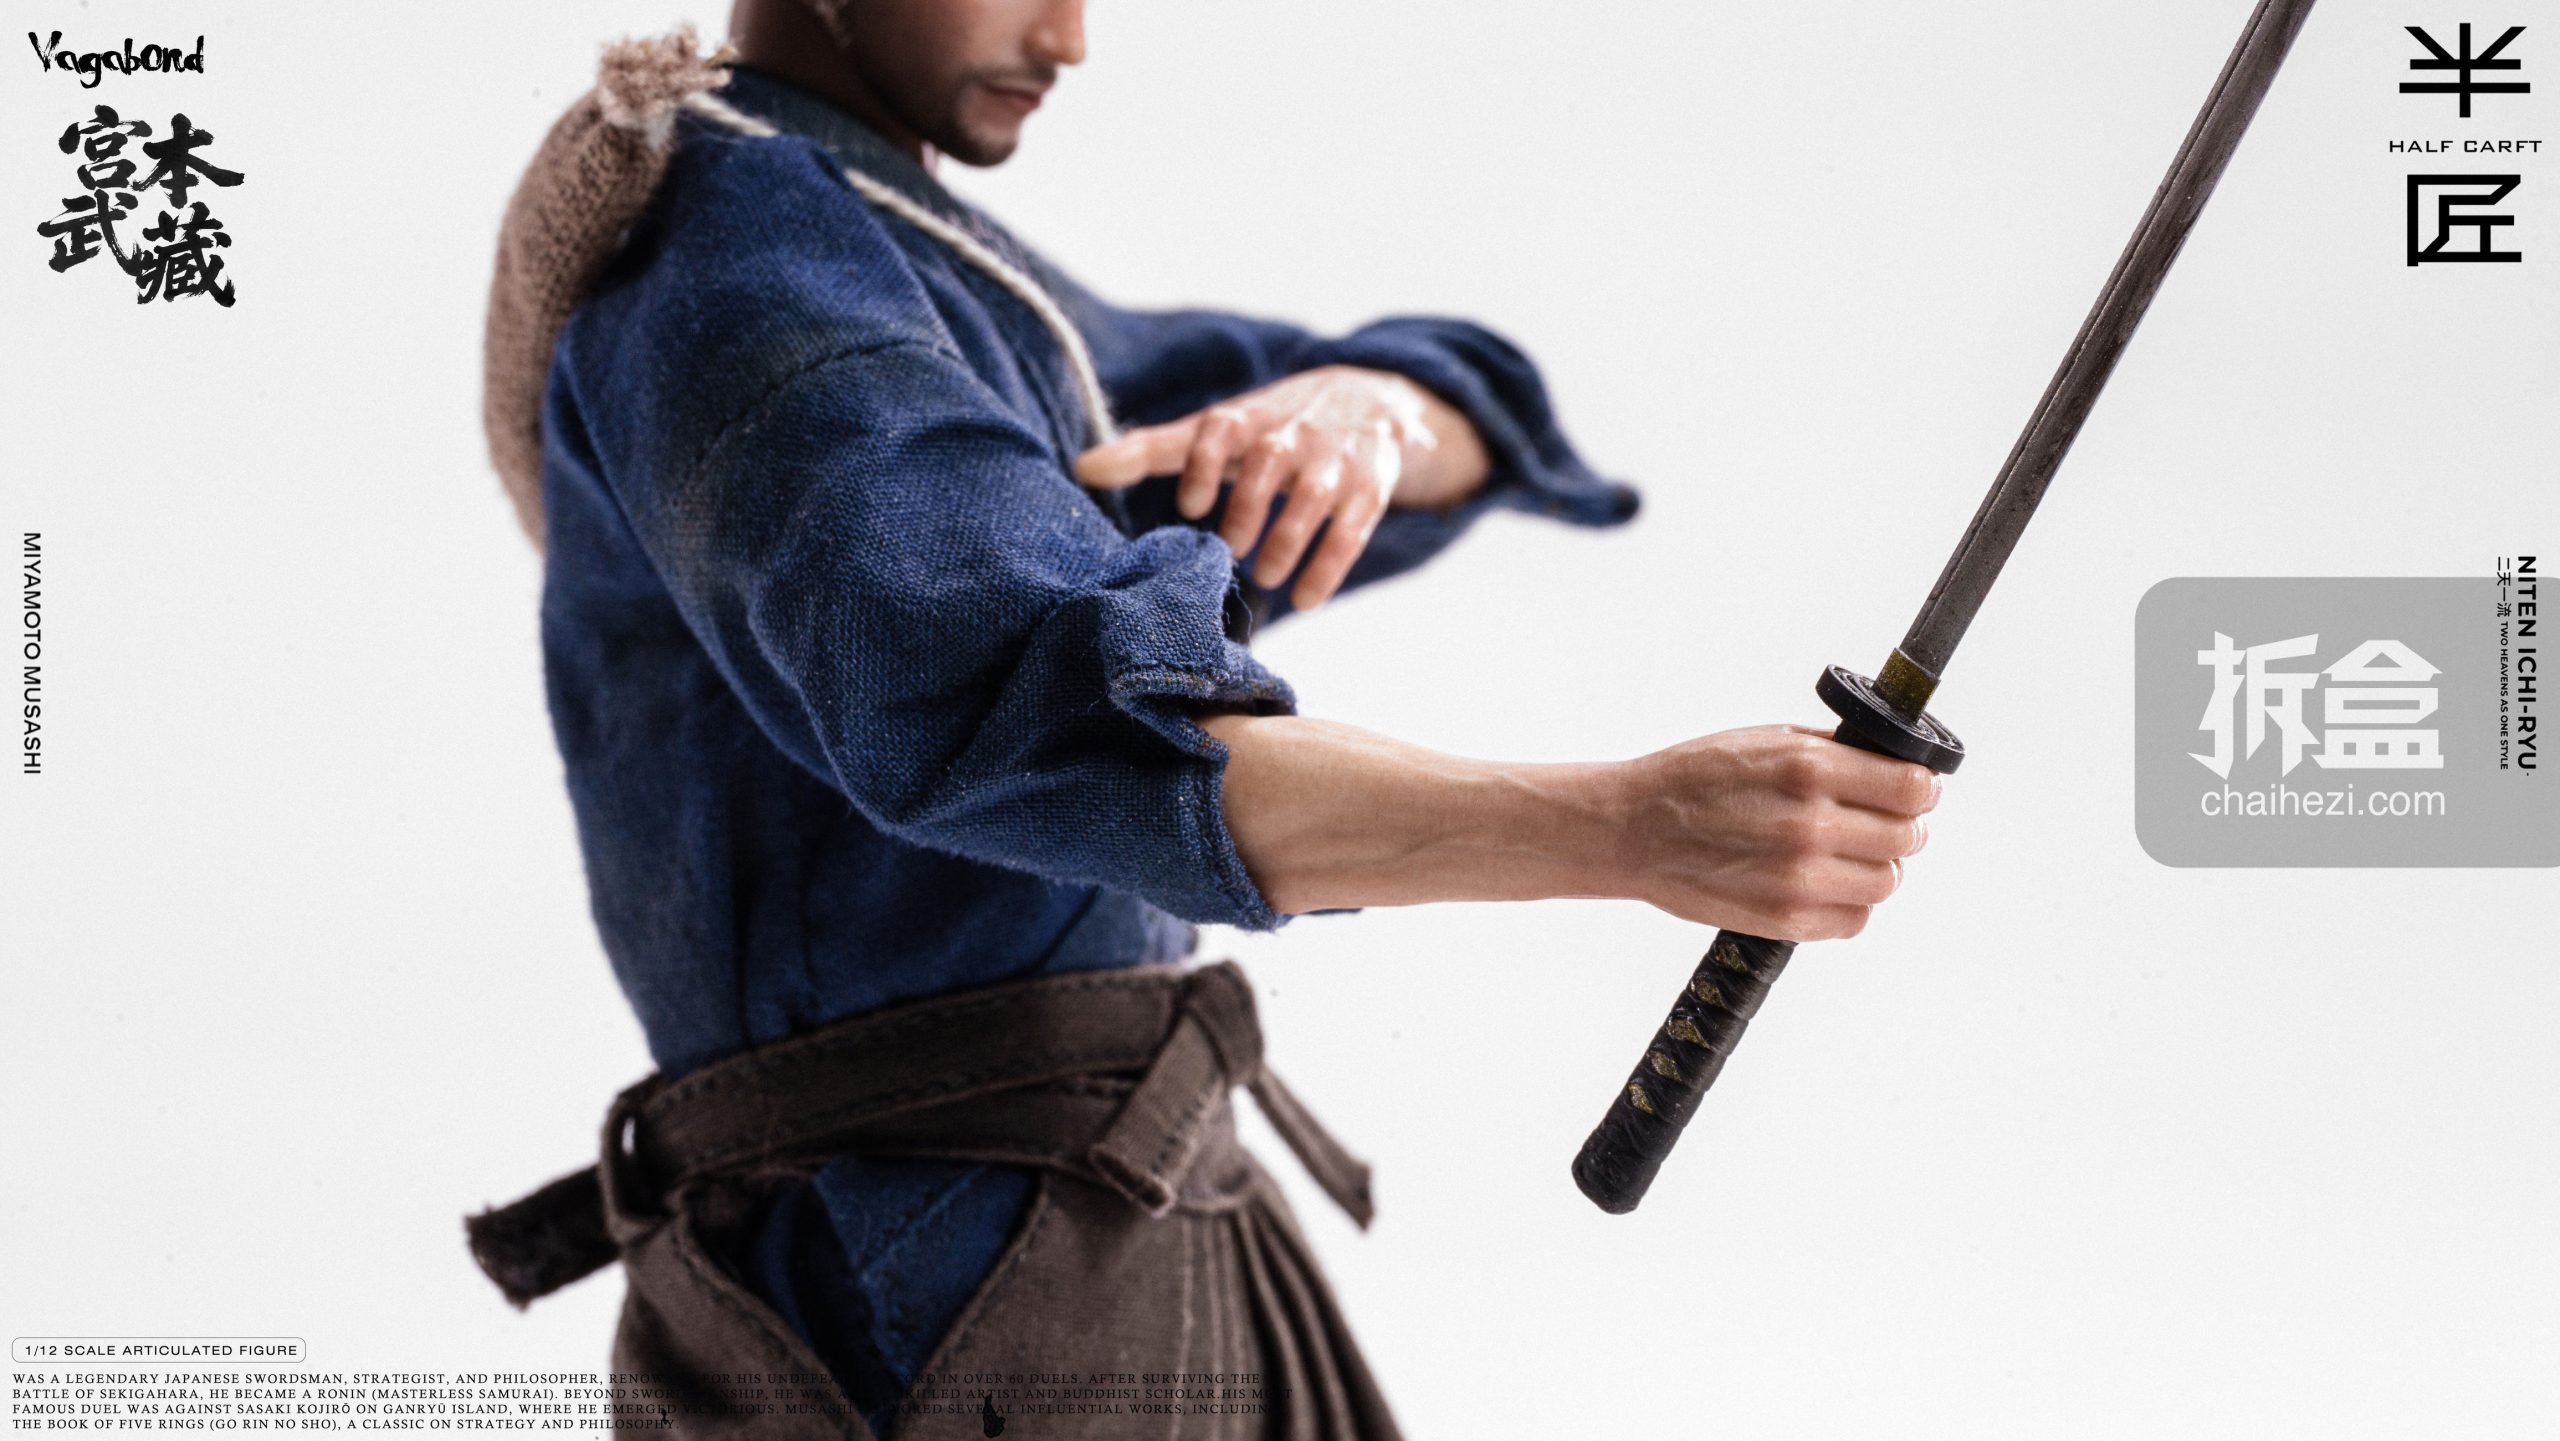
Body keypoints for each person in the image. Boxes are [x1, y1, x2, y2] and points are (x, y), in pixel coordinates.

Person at [467, 2, 1941, 1437]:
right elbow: (1071, 720)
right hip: (932, 1281)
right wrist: (1630, 827)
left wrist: (1364, 414)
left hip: (1067, 1223)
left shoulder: (885, 238)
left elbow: (1445, 409)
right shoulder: (750, 267)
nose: (1069, 38)